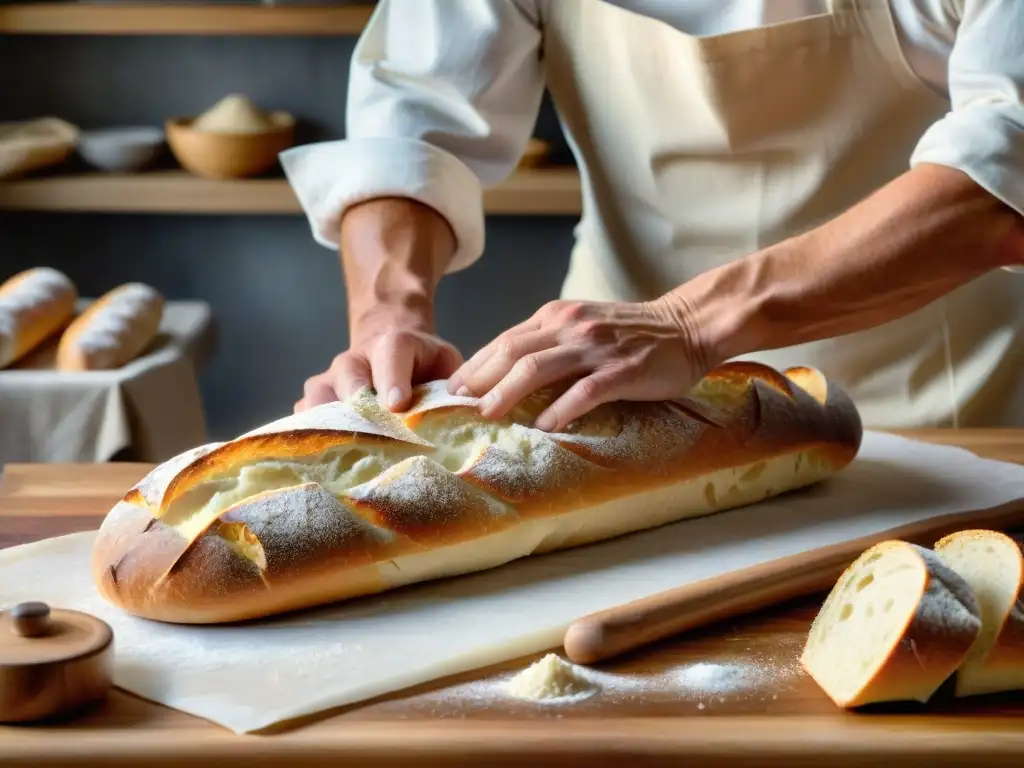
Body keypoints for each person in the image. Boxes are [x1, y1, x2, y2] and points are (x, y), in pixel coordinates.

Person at [280, 0, 1024, 432]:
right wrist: (389, 317)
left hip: (936, 412)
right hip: (611, 406)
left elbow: (999, 178)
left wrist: (690, 325)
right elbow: (409, 124)